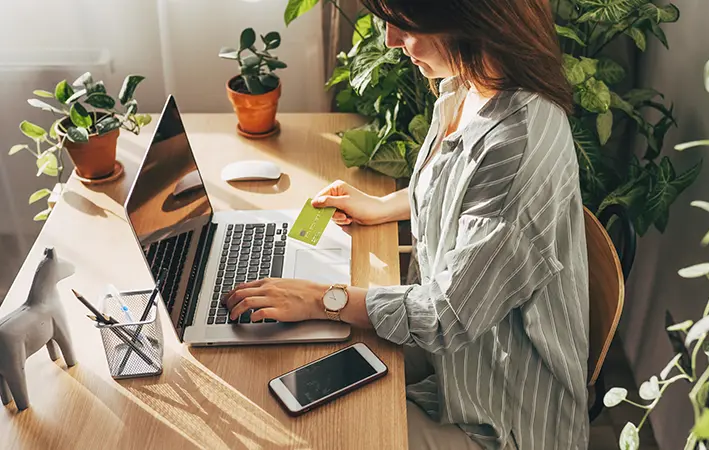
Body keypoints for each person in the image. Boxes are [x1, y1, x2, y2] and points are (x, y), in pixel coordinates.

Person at [224, 0, 589, 448]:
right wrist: (385, 205)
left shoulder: (516, 143)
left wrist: (323, 298)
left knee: (311, 434)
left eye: (404, 26)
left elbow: (444, 316)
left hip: (498, 414)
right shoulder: (468, 85)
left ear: (469, 20)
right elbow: (464, 200)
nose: (390, 41)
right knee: (274, 372)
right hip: (450, 361)